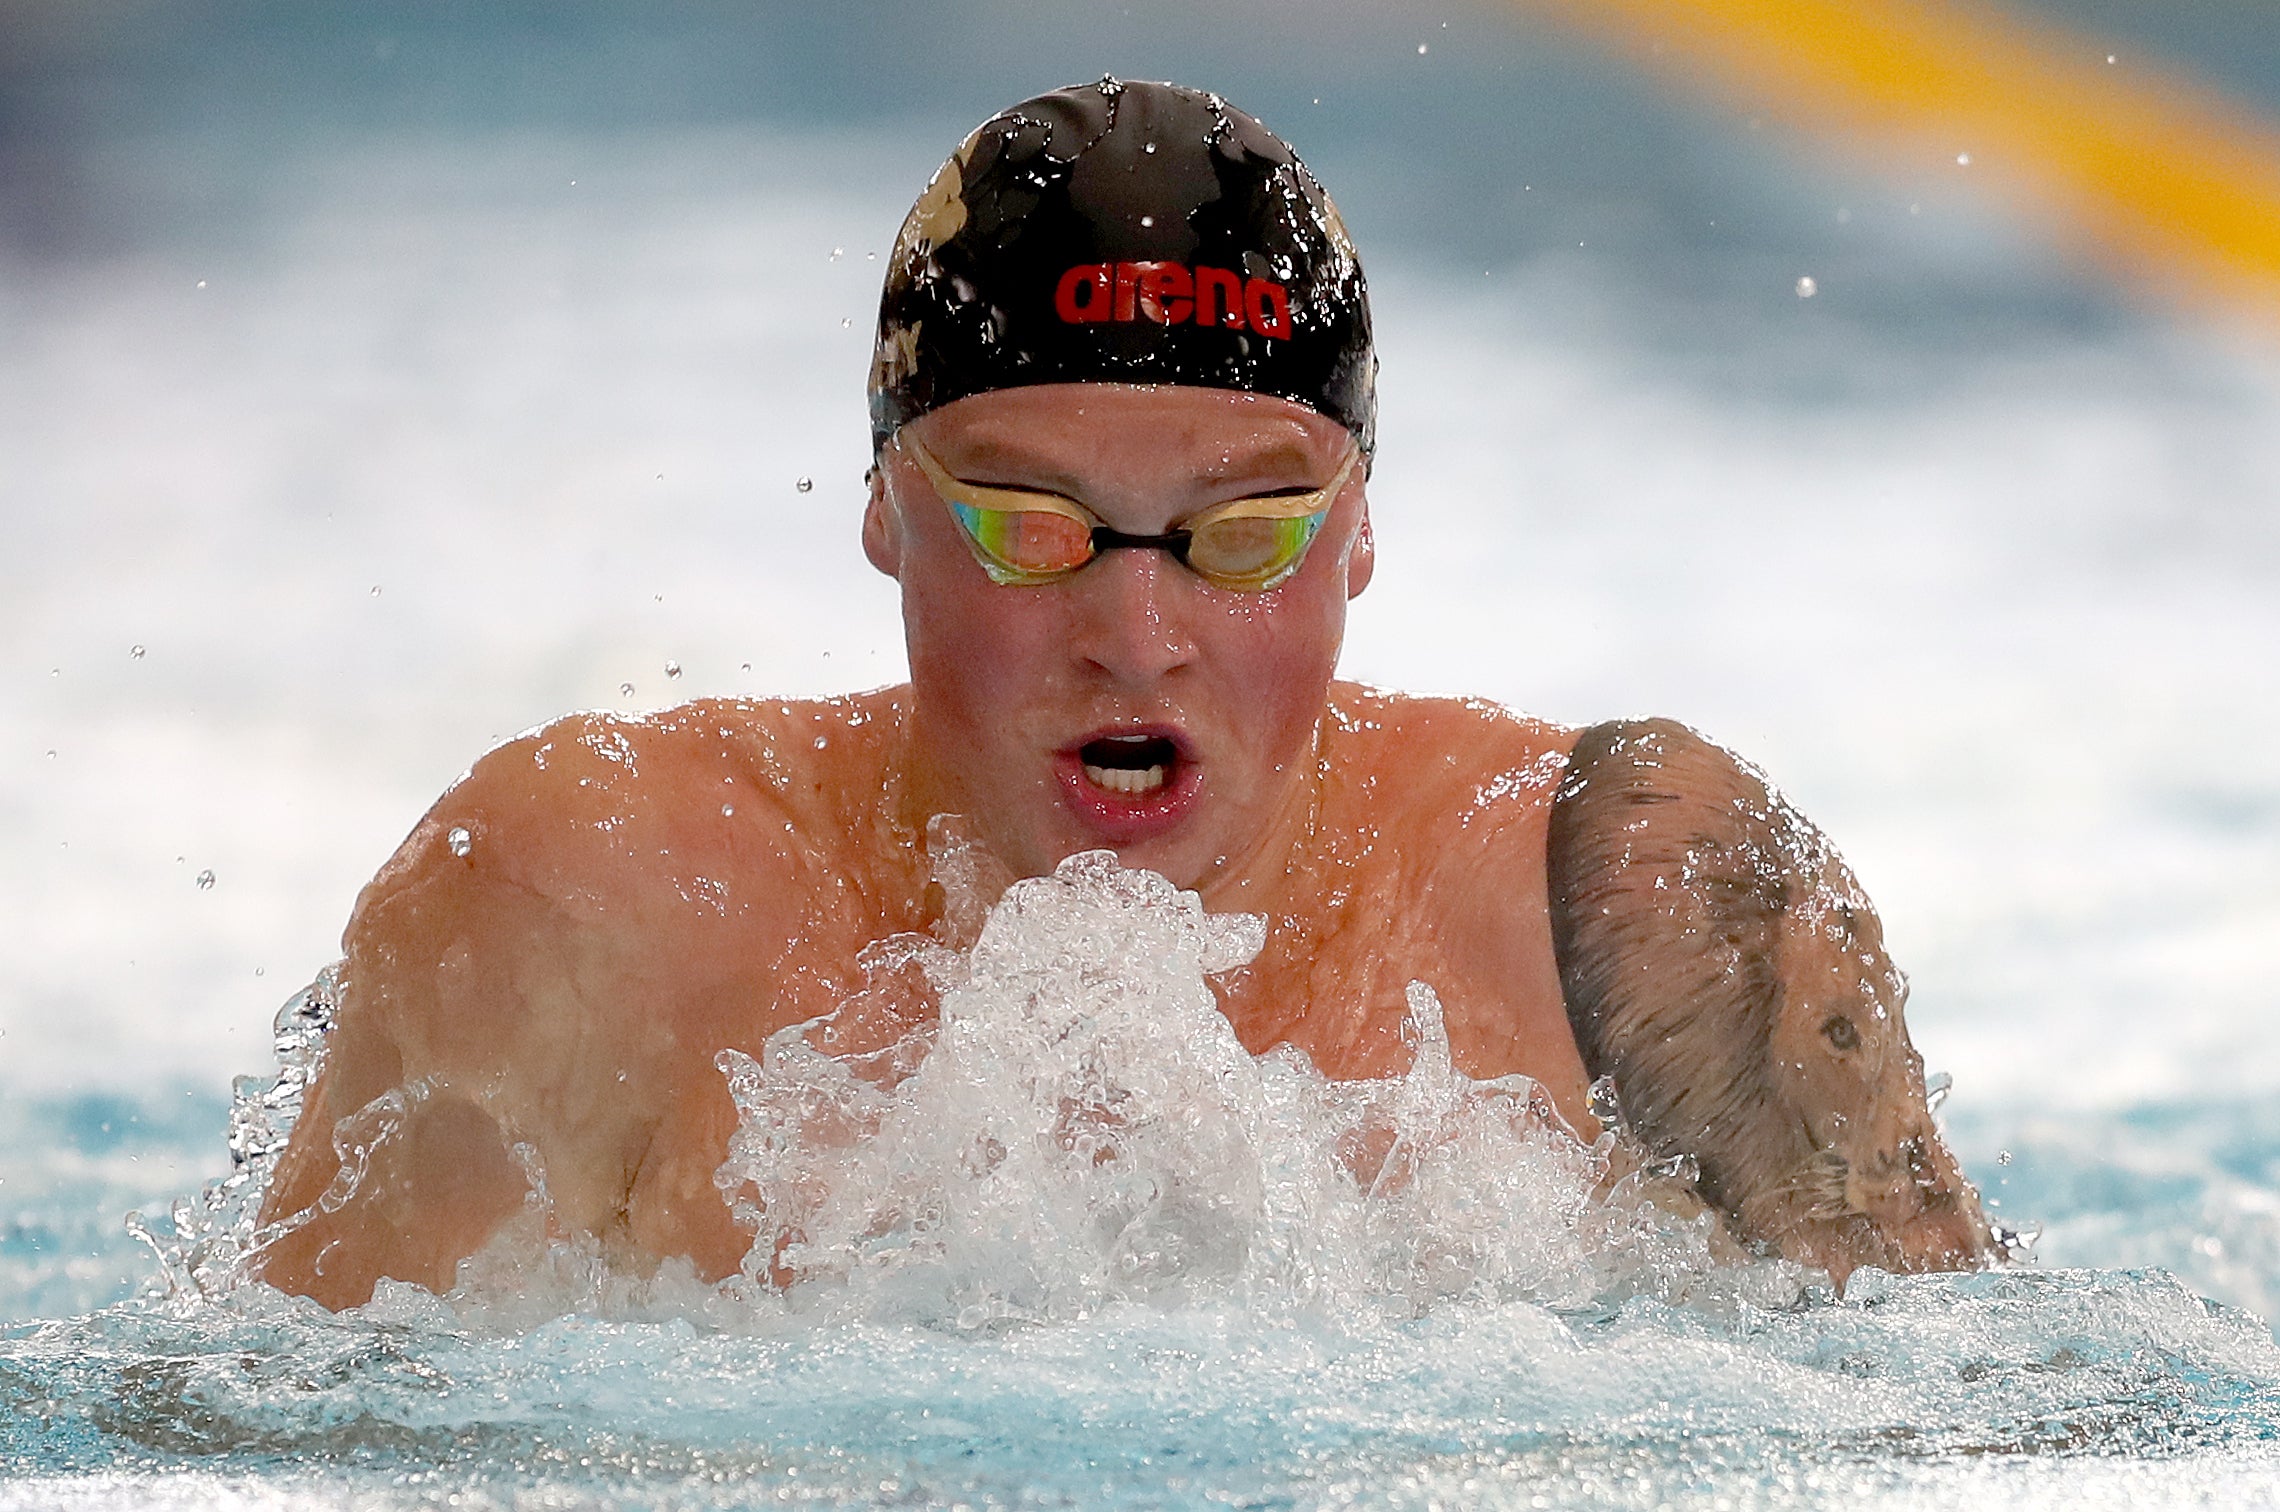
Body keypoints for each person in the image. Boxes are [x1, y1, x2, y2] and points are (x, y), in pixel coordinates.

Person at [257, 79, 1995, 1310]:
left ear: (1362, 530)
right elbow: (287, 1447)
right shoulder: (587, 903)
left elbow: (1978, 1428)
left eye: (1242, 536)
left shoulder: (1631, 917)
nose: (1138, 631)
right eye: (1029, 528)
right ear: (881, 509)